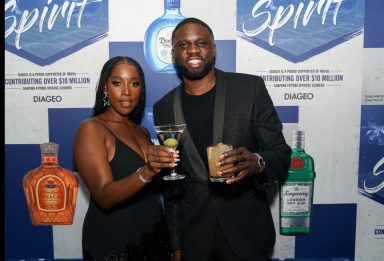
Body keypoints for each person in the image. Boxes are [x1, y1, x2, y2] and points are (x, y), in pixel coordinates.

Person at [153, 18, 292, 261]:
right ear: (174, 54)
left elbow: (280, 151)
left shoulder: (250, 89)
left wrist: (257, 162)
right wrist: (175, 243)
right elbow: (172, 184)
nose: (193, 50)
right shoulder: (163, 107)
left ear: (213, 50)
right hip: (194, 239)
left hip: (247, 235)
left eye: (201, 43)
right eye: (184, 45)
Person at [73, 56, 178, 260]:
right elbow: (104, 197)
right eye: (117, 83)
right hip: (115, 242)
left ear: (141, 90)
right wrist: (147, 171)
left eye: (135, 83)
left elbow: (154, 192)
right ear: (105, 88)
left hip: (155, 237)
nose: (126, 91)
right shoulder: (91, 129)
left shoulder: (143, 132)